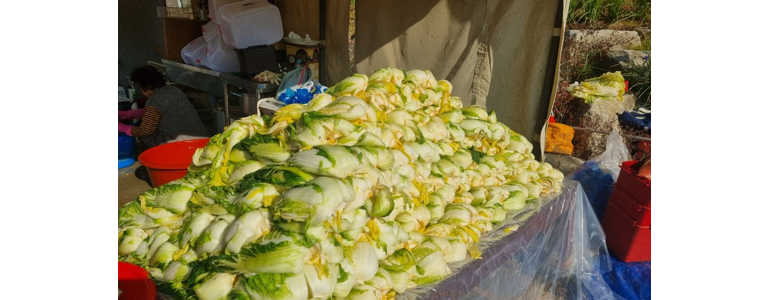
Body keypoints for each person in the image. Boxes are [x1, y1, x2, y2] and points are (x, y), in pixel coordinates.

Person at [118, 65, 210, 149]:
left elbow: (144, 131)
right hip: (203, 140)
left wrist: (122, 128)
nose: (140, 90)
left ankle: (162, 154)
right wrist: (127, 114)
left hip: (184, 145)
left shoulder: (154, 101)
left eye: (140, 87)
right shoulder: (173, 90)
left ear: (147, 85)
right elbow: (158, 111)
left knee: (140, 126)